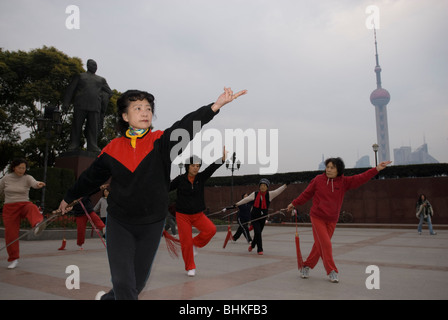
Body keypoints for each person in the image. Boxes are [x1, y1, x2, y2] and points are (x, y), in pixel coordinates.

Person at [58, 87, 247, 299]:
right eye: (137, 108)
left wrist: (215, 107)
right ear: (124, 116)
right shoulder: (112, 148)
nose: (145, 112)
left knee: (134, 285)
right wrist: (69, 197)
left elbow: (186, 126)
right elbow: (90, 178)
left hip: (152, 224)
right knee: (122, 282)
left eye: (148, 108)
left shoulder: (161, 143)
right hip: (120, 223)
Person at [287, 157, 392, 283]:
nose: (329, 170)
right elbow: (307, 194)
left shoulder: (344, 182)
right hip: (317, 217)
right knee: (326, 244)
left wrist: (376, 169)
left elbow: (360, 178)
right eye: (328, 167)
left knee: (319, 246)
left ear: (339, 170)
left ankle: (306, 266)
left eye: (332, 168)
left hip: (332, 219)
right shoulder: (318, 180)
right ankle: (332, 270)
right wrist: (294, 203)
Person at [169, 148, 226, 277]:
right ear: (188, 166)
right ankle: (190, 267)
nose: (196, 168)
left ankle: (196, 243)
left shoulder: (201, 177)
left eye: (198, 166)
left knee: (211, 230)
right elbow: (166, 188)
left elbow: (212, 168)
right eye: (193, 165)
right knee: (185, 243)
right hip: (182, 215)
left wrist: (222, 159)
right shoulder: (180, 179)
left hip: (198, 215)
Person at [0, 158, 47, 269]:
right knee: (11, 235)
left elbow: (34, 183)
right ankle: (14, 259)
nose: (22, 170)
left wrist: (38, 184)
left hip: (23, 204)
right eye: (20, 168)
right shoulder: (6, 179)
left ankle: (37, 224)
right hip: (9, 207)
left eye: (24, 168)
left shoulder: (27, 178)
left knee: (31, 207)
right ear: (14, 167)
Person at [63, 59, 113, 153]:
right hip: (80, 104)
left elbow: (109, 92)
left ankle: (92, 145)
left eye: (96, 66)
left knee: (93, 127)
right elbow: (70, 90)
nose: (95, 67)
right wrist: (66, 103)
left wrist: (102, 98)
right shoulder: (80, 76)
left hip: (95, 106)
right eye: (93, 65)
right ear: (88, 66)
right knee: (77, 125)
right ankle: (74, 144)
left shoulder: (101, 80)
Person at [235, 179, 287, 255]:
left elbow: (278, 191)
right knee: (258, 232)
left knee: (258, 233)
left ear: (267, 187)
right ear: (259, 186)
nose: (262, 187)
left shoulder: (270, 194)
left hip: (263, 217)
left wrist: (285, 185)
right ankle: (260, 249)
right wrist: (237, 204)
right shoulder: (255, 194)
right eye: (261, 185)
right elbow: (246, 199)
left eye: (264, 186)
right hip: (255, 217)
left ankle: (252, 245)